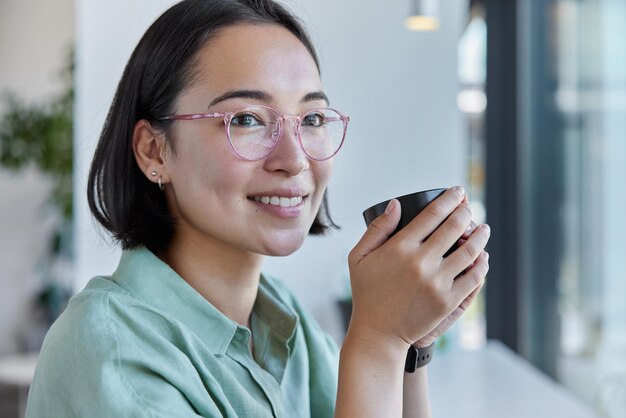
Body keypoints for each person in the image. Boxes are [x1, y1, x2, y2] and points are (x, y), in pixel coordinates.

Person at [26, 0, 490, 417]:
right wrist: (376, 342)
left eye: (311, 119)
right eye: (246, 119)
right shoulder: (109, 351)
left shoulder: (281, 319)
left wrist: (412, 345)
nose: (293, 160)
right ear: (154, 151)